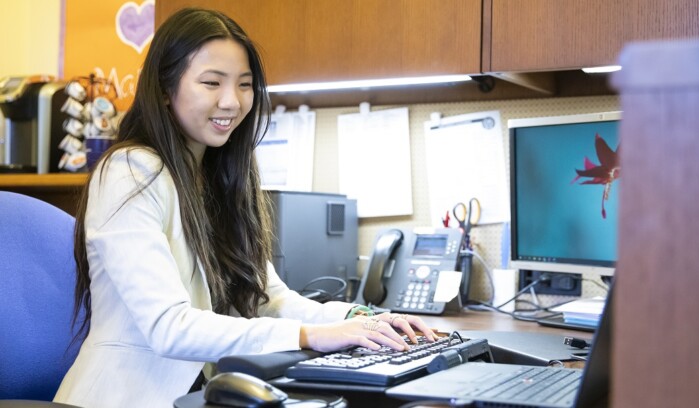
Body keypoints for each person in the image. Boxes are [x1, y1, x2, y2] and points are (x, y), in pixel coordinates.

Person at [53, 7, 437, 408]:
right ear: (165, 89)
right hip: (127, 398)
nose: (231, 102)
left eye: (245, 85)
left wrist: (356, 318)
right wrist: (310, 336)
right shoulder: (131, 172)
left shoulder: (220, 177)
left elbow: (267, 299)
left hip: (204, 395)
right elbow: (168, 327)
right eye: (211, 83)